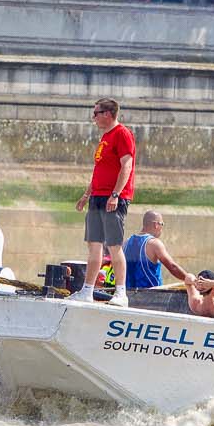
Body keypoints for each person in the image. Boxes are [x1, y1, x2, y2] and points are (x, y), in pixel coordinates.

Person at [70, 97, 136, 307]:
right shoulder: (105, 137)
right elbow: (99, 171)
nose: (93, 117)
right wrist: (87, 194)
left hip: (114, 198)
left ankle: (121, 293)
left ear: (107, 114)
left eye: (96, 113)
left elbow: (126, 165)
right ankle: (87, 290)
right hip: (97, 197)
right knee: (94, 246)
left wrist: (116, 194)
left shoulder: (122, 134)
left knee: (114, 245)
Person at [119, 209, 194, 292]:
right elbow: (173, 267)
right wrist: (189, 278)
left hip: (127, 293)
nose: (162, 228)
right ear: (156, 225)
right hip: (150, 296)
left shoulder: (126, 242)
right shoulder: (154, 243)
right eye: (162, 224)